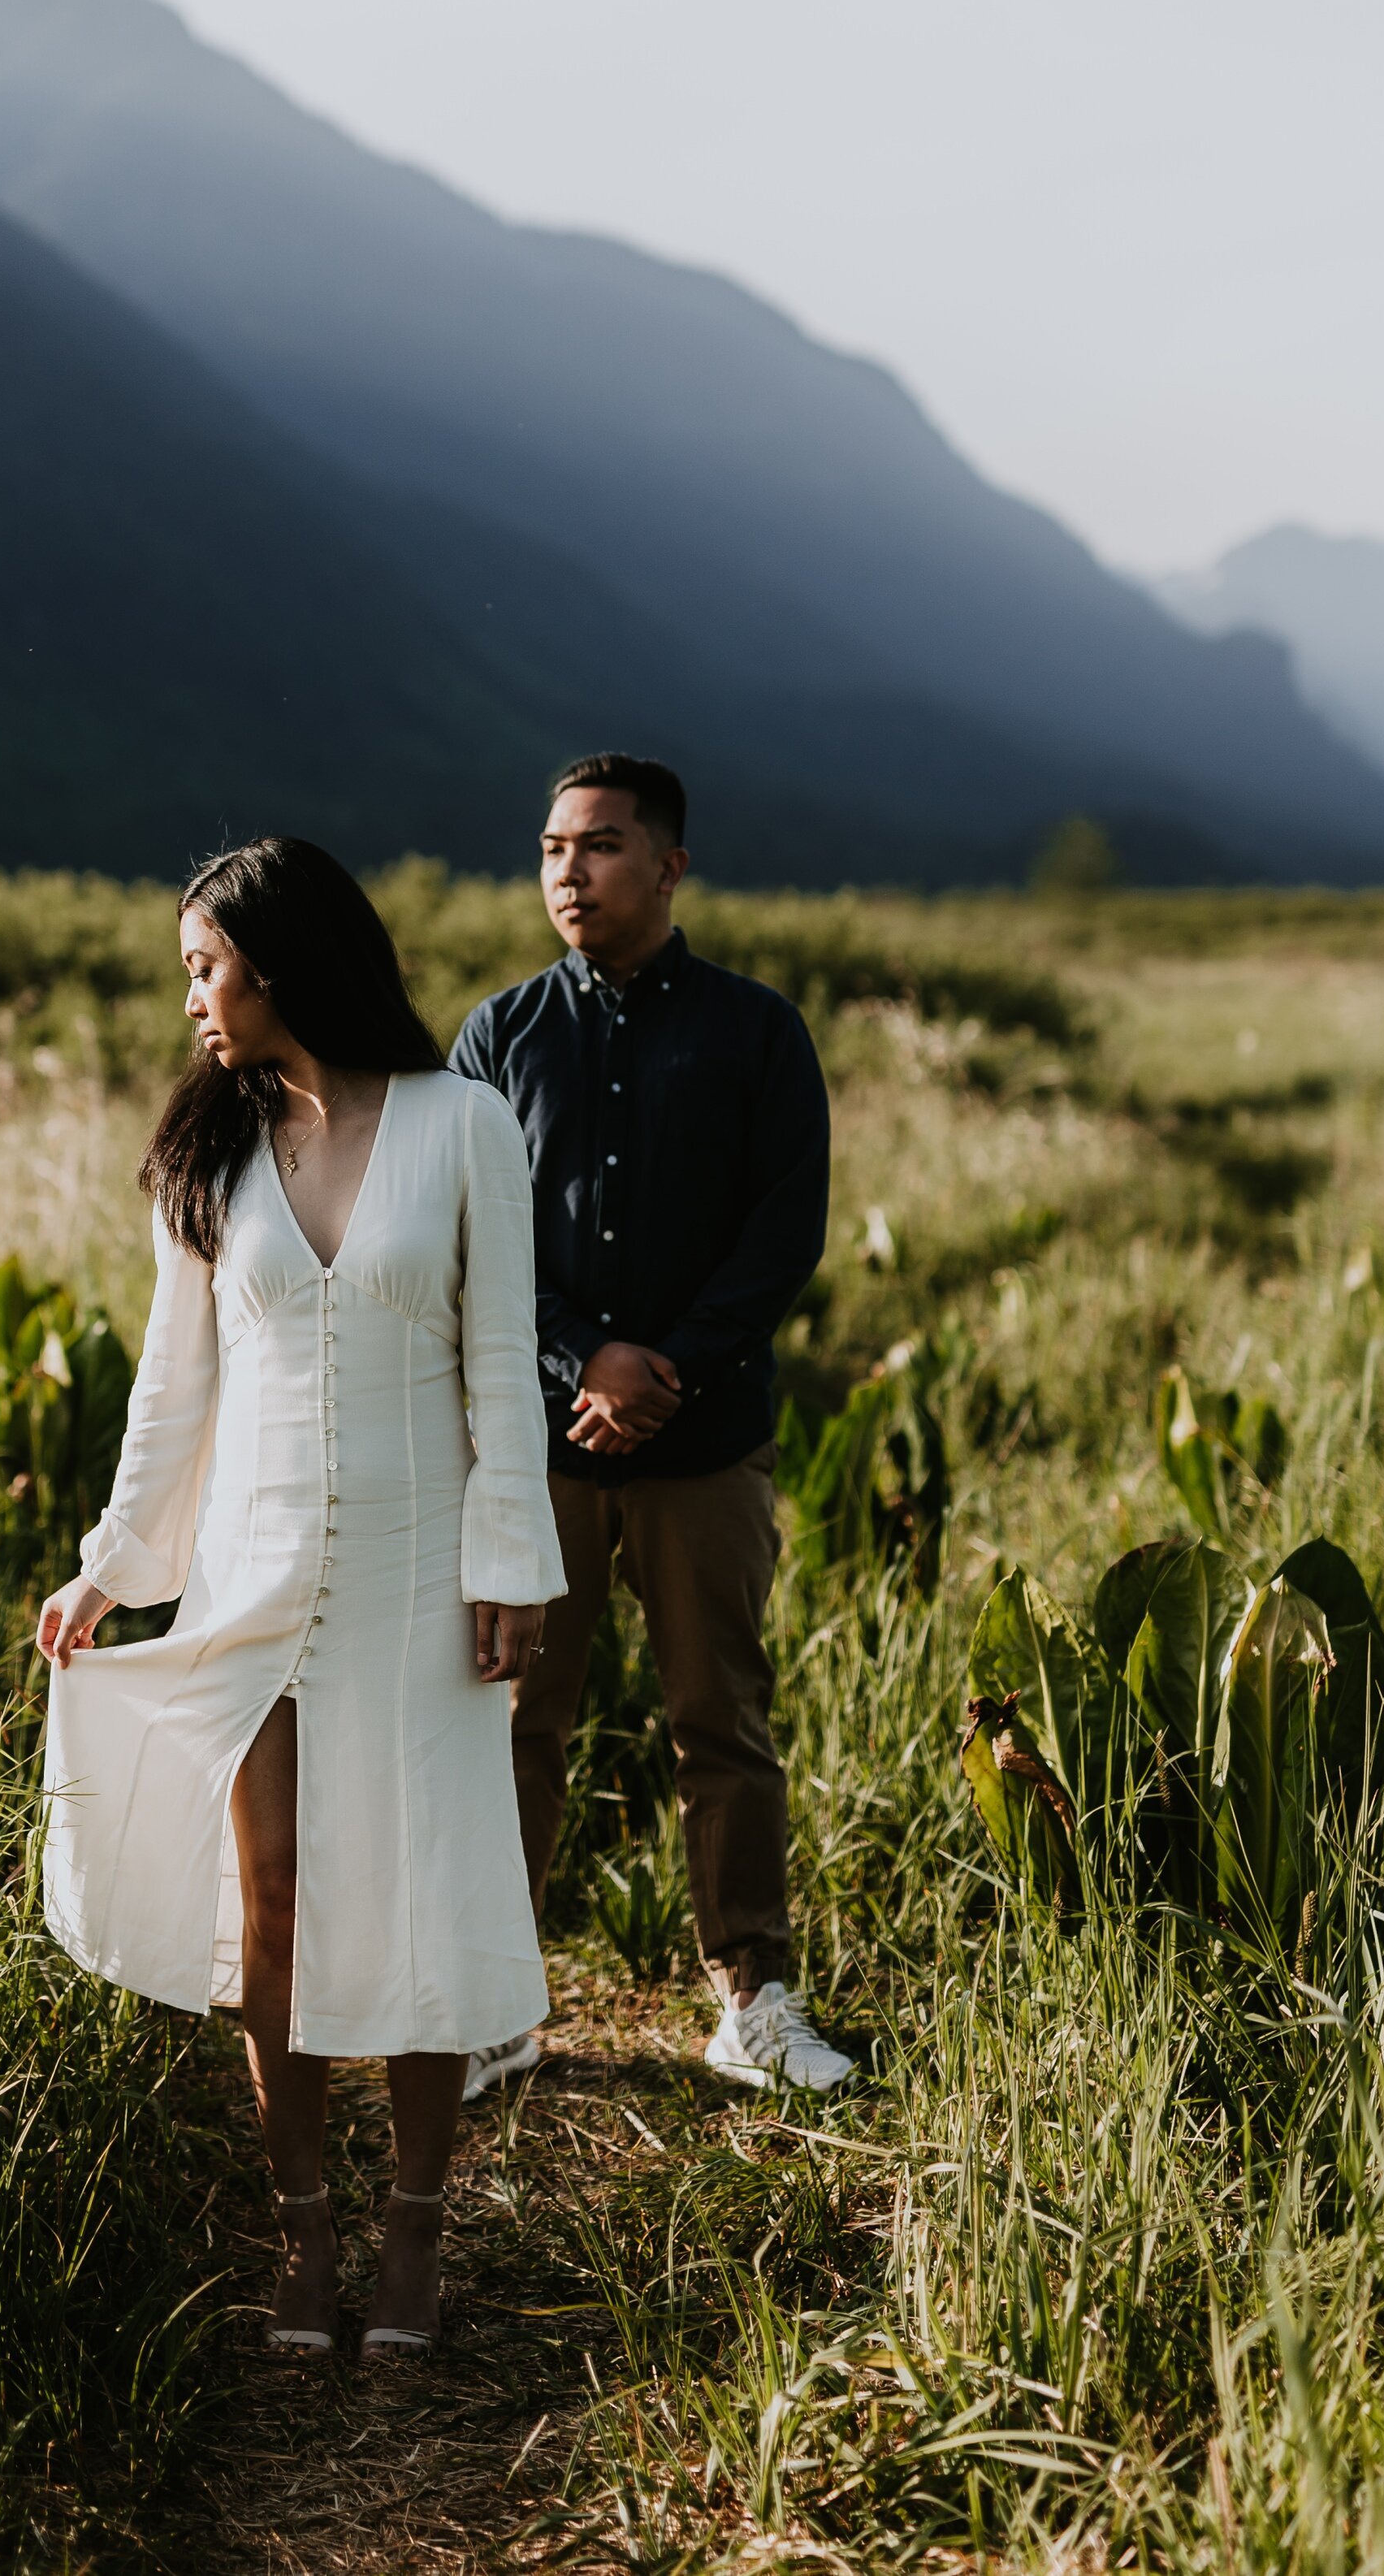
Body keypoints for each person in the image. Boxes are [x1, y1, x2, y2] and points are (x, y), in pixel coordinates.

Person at [35, 837, 564, 2360]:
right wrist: (114, 1566)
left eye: (204, 965)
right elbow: (175, 1387)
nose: (192, 998)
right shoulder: (205, 1152)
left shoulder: (465, 1123)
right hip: (252, 1573)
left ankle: (413, 2234)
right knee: (268, 1905)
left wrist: (510, 1564)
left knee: (416, 1889)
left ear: (281, 961)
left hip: (420, 1573)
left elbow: (500, 1363)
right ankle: (304, 2233)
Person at [450, 755, 854, 2096]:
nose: (570, 870)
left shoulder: (756, 1031)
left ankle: (751, 1995)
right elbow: (469, 1234)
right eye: (554, 846)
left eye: (604, 846)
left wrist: (663, 1364)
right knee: (515, 1718)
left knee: (721, 1718)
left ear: (671, 866)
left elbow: (782, 1229)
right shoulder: (496, 1037)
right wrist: (584, 1355)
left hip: (707, 1443)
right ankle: (493, 2001)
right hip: (534, 1448)